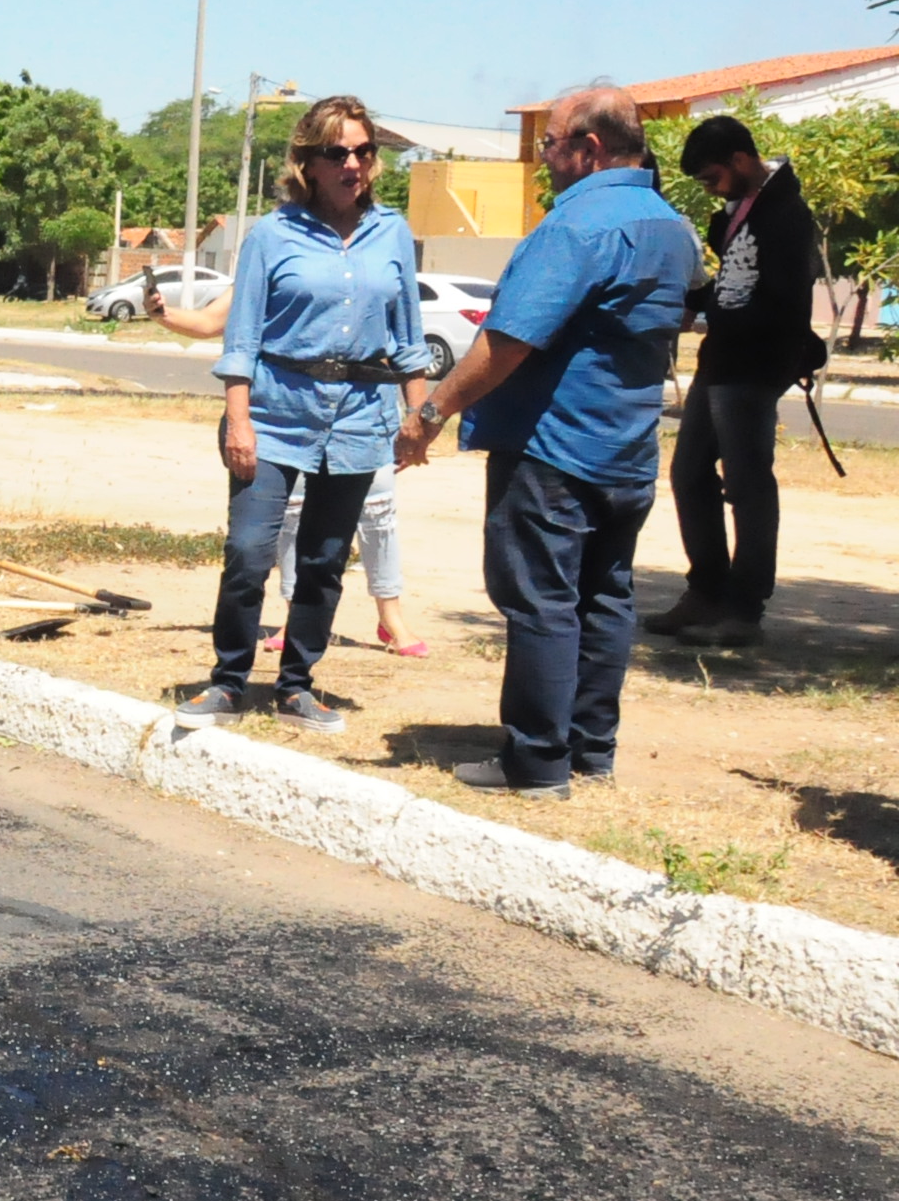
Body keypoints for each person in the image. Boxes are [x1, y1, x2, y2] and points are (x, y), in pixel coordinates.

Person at [400, 86, 695, 799]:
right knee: (605, 597)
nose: (545, 160)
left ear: (589, 149)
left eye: (551, 144)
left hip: (551, 448)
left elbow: (507, 341)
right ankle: (592, 751)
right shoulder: (672, 227)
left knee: (539, 599)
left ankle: (535, 762)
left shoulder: (576, 228)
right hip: (627, 449)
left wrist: (432, 409)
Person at [169, 97, 430, 732]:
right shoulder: (272, 235)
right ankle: (228, 681)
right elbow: (242, 338)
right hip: (276, 413)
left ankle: (297, 686)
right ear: (307, 162)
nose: (353, 164)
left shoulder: (392, 232)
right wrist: (239, 420)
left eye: (364, 152)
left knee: (323, 560)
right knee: (248, 553)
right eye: (337, 152)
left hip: (359, 418)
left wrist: (419, 416)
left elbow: (407, 336)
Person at [149, 279, 427, 657]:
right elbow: (210, 322)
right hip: (291, 409)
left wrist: (417, 416)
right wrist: (161, 313)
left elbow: (408, 342)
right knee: (294, 514)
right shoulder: (277, 258)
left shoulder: (377, 254)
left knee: (379, 511)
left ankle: (391, 617)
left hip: (365, 409)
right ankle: (295, 613)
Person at [654, 113, 823, 646]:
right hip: (720, 361)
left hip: (753, 368)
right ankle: (705, 591)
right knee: (688, 474)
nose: (710, 189)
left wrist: (720, 317)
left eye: (712, 177)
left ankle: (744, 610)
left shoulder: (787, 216)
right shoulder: (739, 211)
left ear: (742, 161)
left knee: (747, 487)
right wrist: (694, 303)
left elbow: (783, 305)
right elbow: (732, 287)